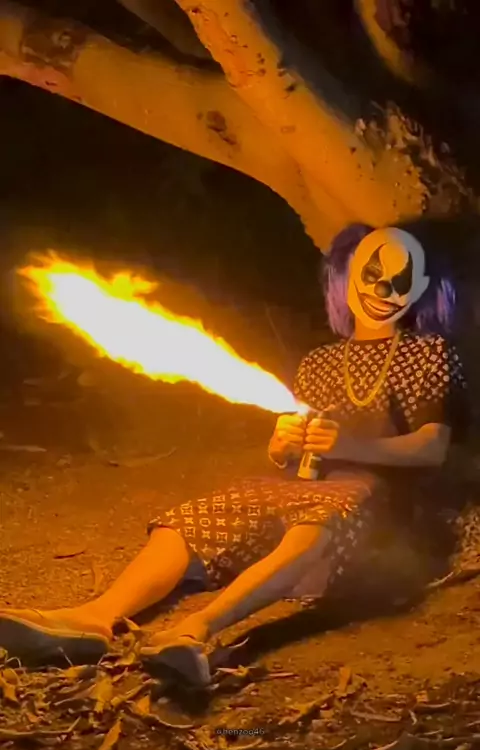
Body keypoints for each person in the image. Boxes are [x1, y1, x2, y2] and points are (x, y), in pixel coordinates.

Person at [0, 224, 469, 685]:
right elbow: (294, 458)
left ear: (421, 287)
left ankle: (196, 631)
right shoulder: (319, 362)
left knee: (317, 524)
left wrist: (352, 447)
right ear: (347, 277)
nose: (384, 289)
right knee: (192, 520)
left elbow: (432, 447)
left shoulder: (428, 353)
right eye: (372, 273)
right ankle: (95, 617)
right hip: (305, 488)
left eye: (401, 279)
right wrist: (284, 445)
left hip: (374, 499)